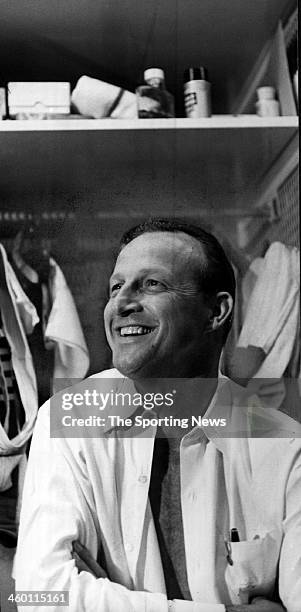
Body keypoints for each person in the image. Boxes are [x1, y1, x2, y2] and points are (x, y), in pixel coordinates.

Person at [14, 218, 301, 612]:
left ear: (216, 312)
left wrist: (102, 597)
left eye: (153, 284)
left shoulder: (284, 447)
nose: (122, 302)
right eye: (116, 286)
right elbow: (39, 594)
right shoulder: (68, 419)